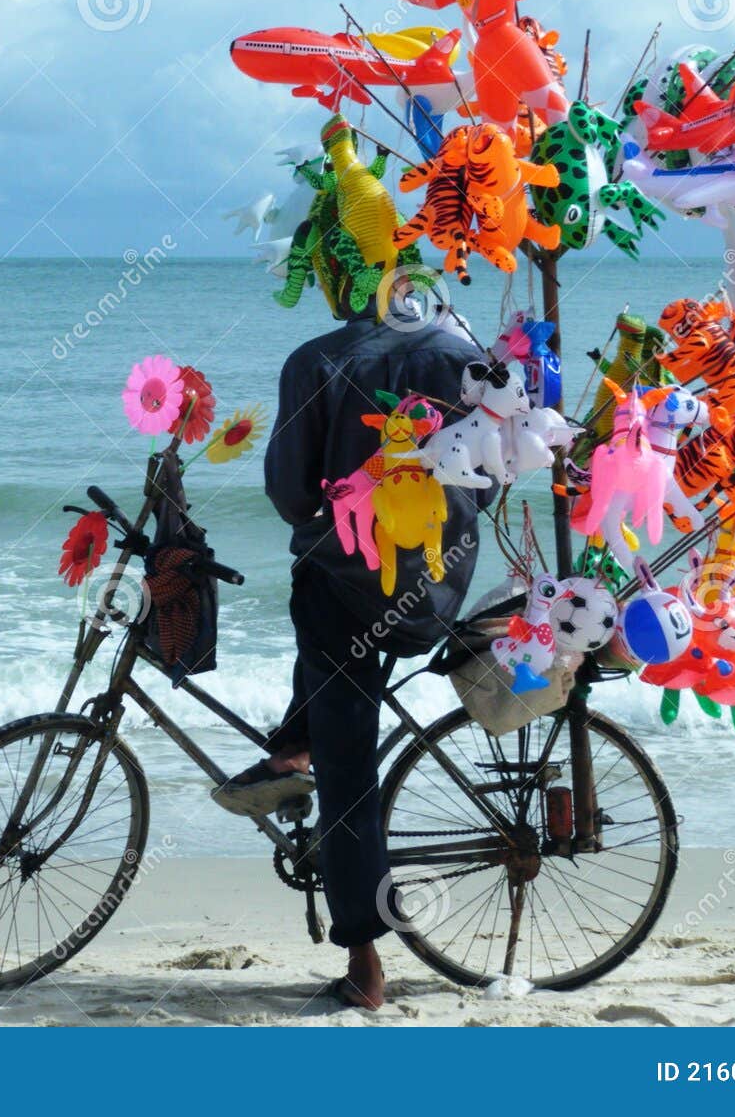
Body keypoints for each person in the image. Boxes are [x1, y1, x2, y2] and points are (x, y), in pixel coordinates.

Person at [212, 252, 491, 1010]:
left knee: (349, 771)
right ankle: (290, 745)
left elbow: (290, 493)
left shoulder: (316, 362)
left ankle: (365, 964)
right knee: (329, 676)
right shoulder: (468, 360)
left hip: (348, 595)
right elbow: (494, 472)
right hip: (437, 589)